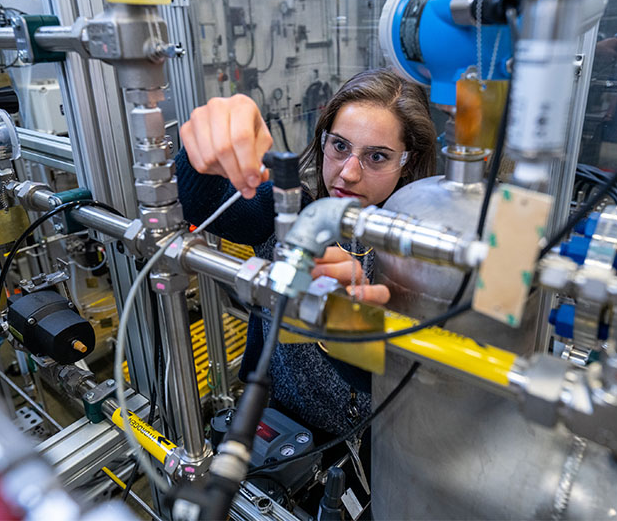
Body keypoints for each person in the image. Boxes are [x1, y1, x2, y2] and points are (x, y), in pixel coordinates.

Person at [176, 68, 437, 437]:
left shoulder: (422, 248)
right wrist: (205, 139)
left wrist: (349, 319)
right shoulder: (289, 211)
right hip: (281, 420)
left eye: (376, 157)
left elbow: (407, 376)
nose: (348, 173)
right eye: (340, 146)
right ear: (323, 140)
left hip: (378, 439)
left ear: (407, 162)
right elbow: (201, 202)